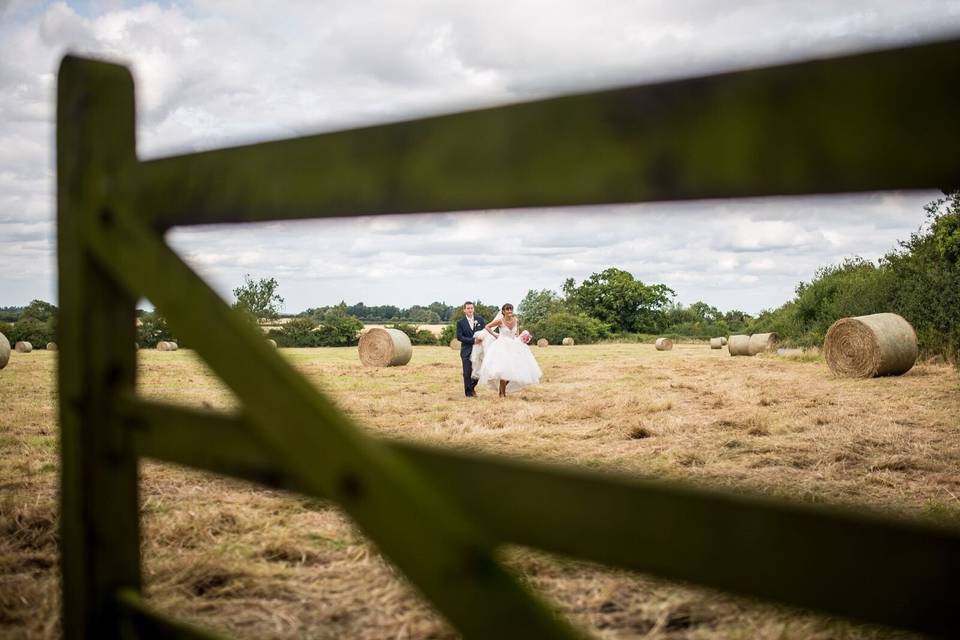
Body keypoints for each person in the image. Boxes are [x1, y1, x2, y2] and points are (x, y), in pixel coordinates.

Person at [478, 303, 542, 397]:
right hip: (502, 346)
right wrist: (495, 335)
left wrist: (520, 338)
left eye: (511, 309)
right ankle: (502, 394)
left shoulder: (516, 320)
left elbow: (517, 332)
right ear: (503, 311)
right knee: (504, 369)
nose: (509, 311)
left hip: (514, 345)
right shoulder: (500, 321)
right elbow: (487, 326)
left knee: (515, 369)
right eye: (507, 309)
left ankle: (501, 390)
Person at [456, 301, 486, 397]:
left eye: (471, 308)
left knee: (479, 371)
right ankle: (468, 393)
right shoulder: (460, 322)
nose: (470, 310)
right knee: (467, 372)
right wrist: (473, 341)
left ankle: (472, 387)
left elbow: (485, 332)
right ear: (464, 310)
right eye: (468, 308)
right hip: (466, 350)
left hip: (479, 350)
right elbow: (460, 337)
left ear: (473, 309)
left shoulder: (480, 320)